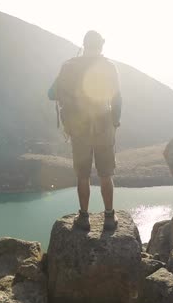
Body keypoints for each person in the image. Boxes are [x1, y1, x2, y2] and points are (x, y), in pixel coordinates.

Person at [48, 30, 122, 231]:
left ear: (84, 44)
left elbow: (51, 93)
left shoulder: (69, 65)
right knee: (106, 174)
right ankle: (109, 217)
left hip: (78, 129)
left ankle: (83, 217)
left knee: (83, 175)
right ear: (101, 46)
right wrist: (114, 123)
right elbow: (117, 99)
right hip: (104, 127)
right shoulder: (108, 67)